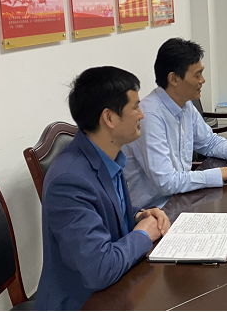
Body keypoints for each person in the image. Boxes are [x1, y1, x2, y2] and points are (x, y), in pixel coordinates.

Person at [36, 67, 171, 310]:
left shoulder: (107, 156)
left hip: (116, 287)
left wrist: (139, 216)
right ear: (109, 118)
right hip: (82, 302)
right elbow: (99, 269)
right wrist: (143, 234)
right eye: (135, 107)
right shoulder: (68, 181)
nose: (141, 115)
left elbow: (107, 209)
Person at [124, 38, 227, 209]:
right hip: (155, 210)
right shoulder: (149, 116)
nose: (203, 80)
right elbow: (167, 182)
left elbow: (209, 142)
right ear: (173, 79)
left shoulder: (185, 105)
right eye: (197, 75)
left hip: (182, 199)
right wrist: (226, 173)